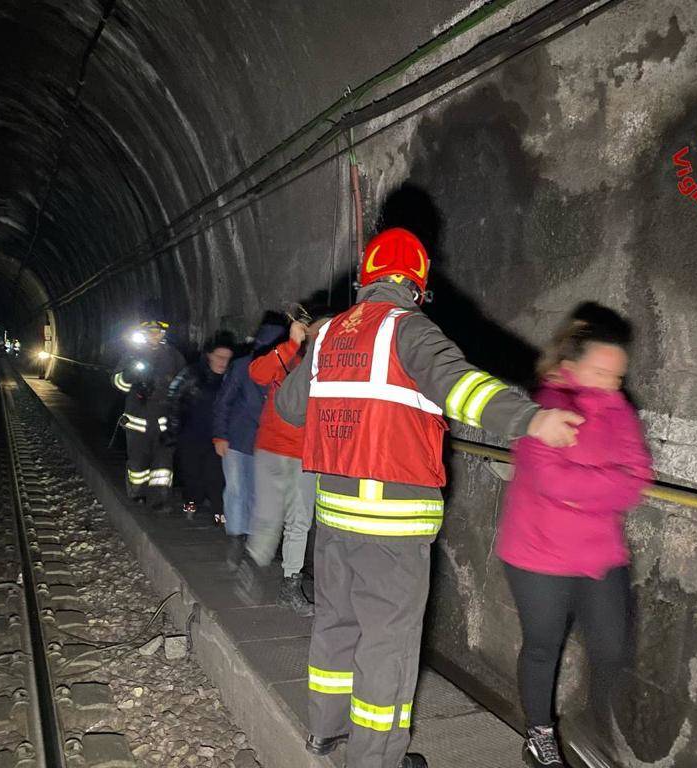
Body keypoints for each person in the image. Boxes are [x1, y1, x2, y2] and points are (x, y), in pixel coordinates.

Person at [275, 227, 584, 768]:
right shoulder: (409, 328)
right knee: (388, 644)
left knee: (336, 623)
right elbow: (462, 388)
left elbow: (289, 408)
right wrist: (531, 419)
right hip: (392, 523)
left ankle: (326, 731)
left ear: (365, 278)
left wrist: (317, 355)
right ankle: (376, 759)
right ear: (418, 283)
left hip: (335, 516)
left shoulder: (329, 336)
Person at [495, 303, 653, 768]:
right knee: (543, 645)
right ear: (571, 366)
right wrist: (610, 483)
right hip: (538, 552)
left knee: (612, 647)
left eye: (616, 376)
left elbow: (639, 476)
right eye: (601, 373)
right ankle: (539, 735)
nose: (610, 384)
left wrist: (592, 487)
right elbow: (553, 481)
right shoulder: (546, 407)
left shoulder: (619, 410)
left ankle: (593, 728)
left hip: (599, 553)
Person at [245, 311, 329, 616]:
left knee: (300, 521)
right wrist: (291, 343)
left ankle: (290, 586)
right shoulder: (290, 357)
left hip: (307, 455)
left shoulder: (333, 365)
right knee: (268, 518)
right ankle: (249, 572)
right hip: (273, 449)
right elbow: (257, 373)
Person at [212, 322, 286, 561]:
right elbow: (224, 401)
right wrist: (220, 435)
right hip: (236, 439)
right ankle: (236, 536)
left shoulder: (285, 369)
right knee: (236, 489)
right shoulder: (242, 366)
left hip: (265, 443)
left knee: (257, 492)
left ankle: (252, 537)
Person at [111, 319, 186, 506]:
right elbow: (118, 383)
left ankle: (161, 498)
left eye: (157, 332)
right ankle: (138, 494)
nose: (154, 335)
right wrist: (129, 375)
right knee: (138, 462)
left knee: (163, 464)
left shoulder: (173, 356)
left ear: (163, 334)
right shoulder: (131, 355)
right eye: (150, 332)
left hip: (163, 422)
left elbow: (184, 383)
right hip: (137, 421)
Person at [165, 340, 234, 520]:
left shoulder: (230, 378)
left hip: (217, 438)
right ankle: (190, 506)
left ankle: (219, 514)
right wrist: (173, 429)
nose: (223, 362)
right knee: (191, 475)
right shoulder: (192, 374)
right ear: (209, 355)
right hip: (191, 434)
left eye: (227, 358)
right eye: (219, 357)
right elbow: (174, 398)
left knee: (216, 477)